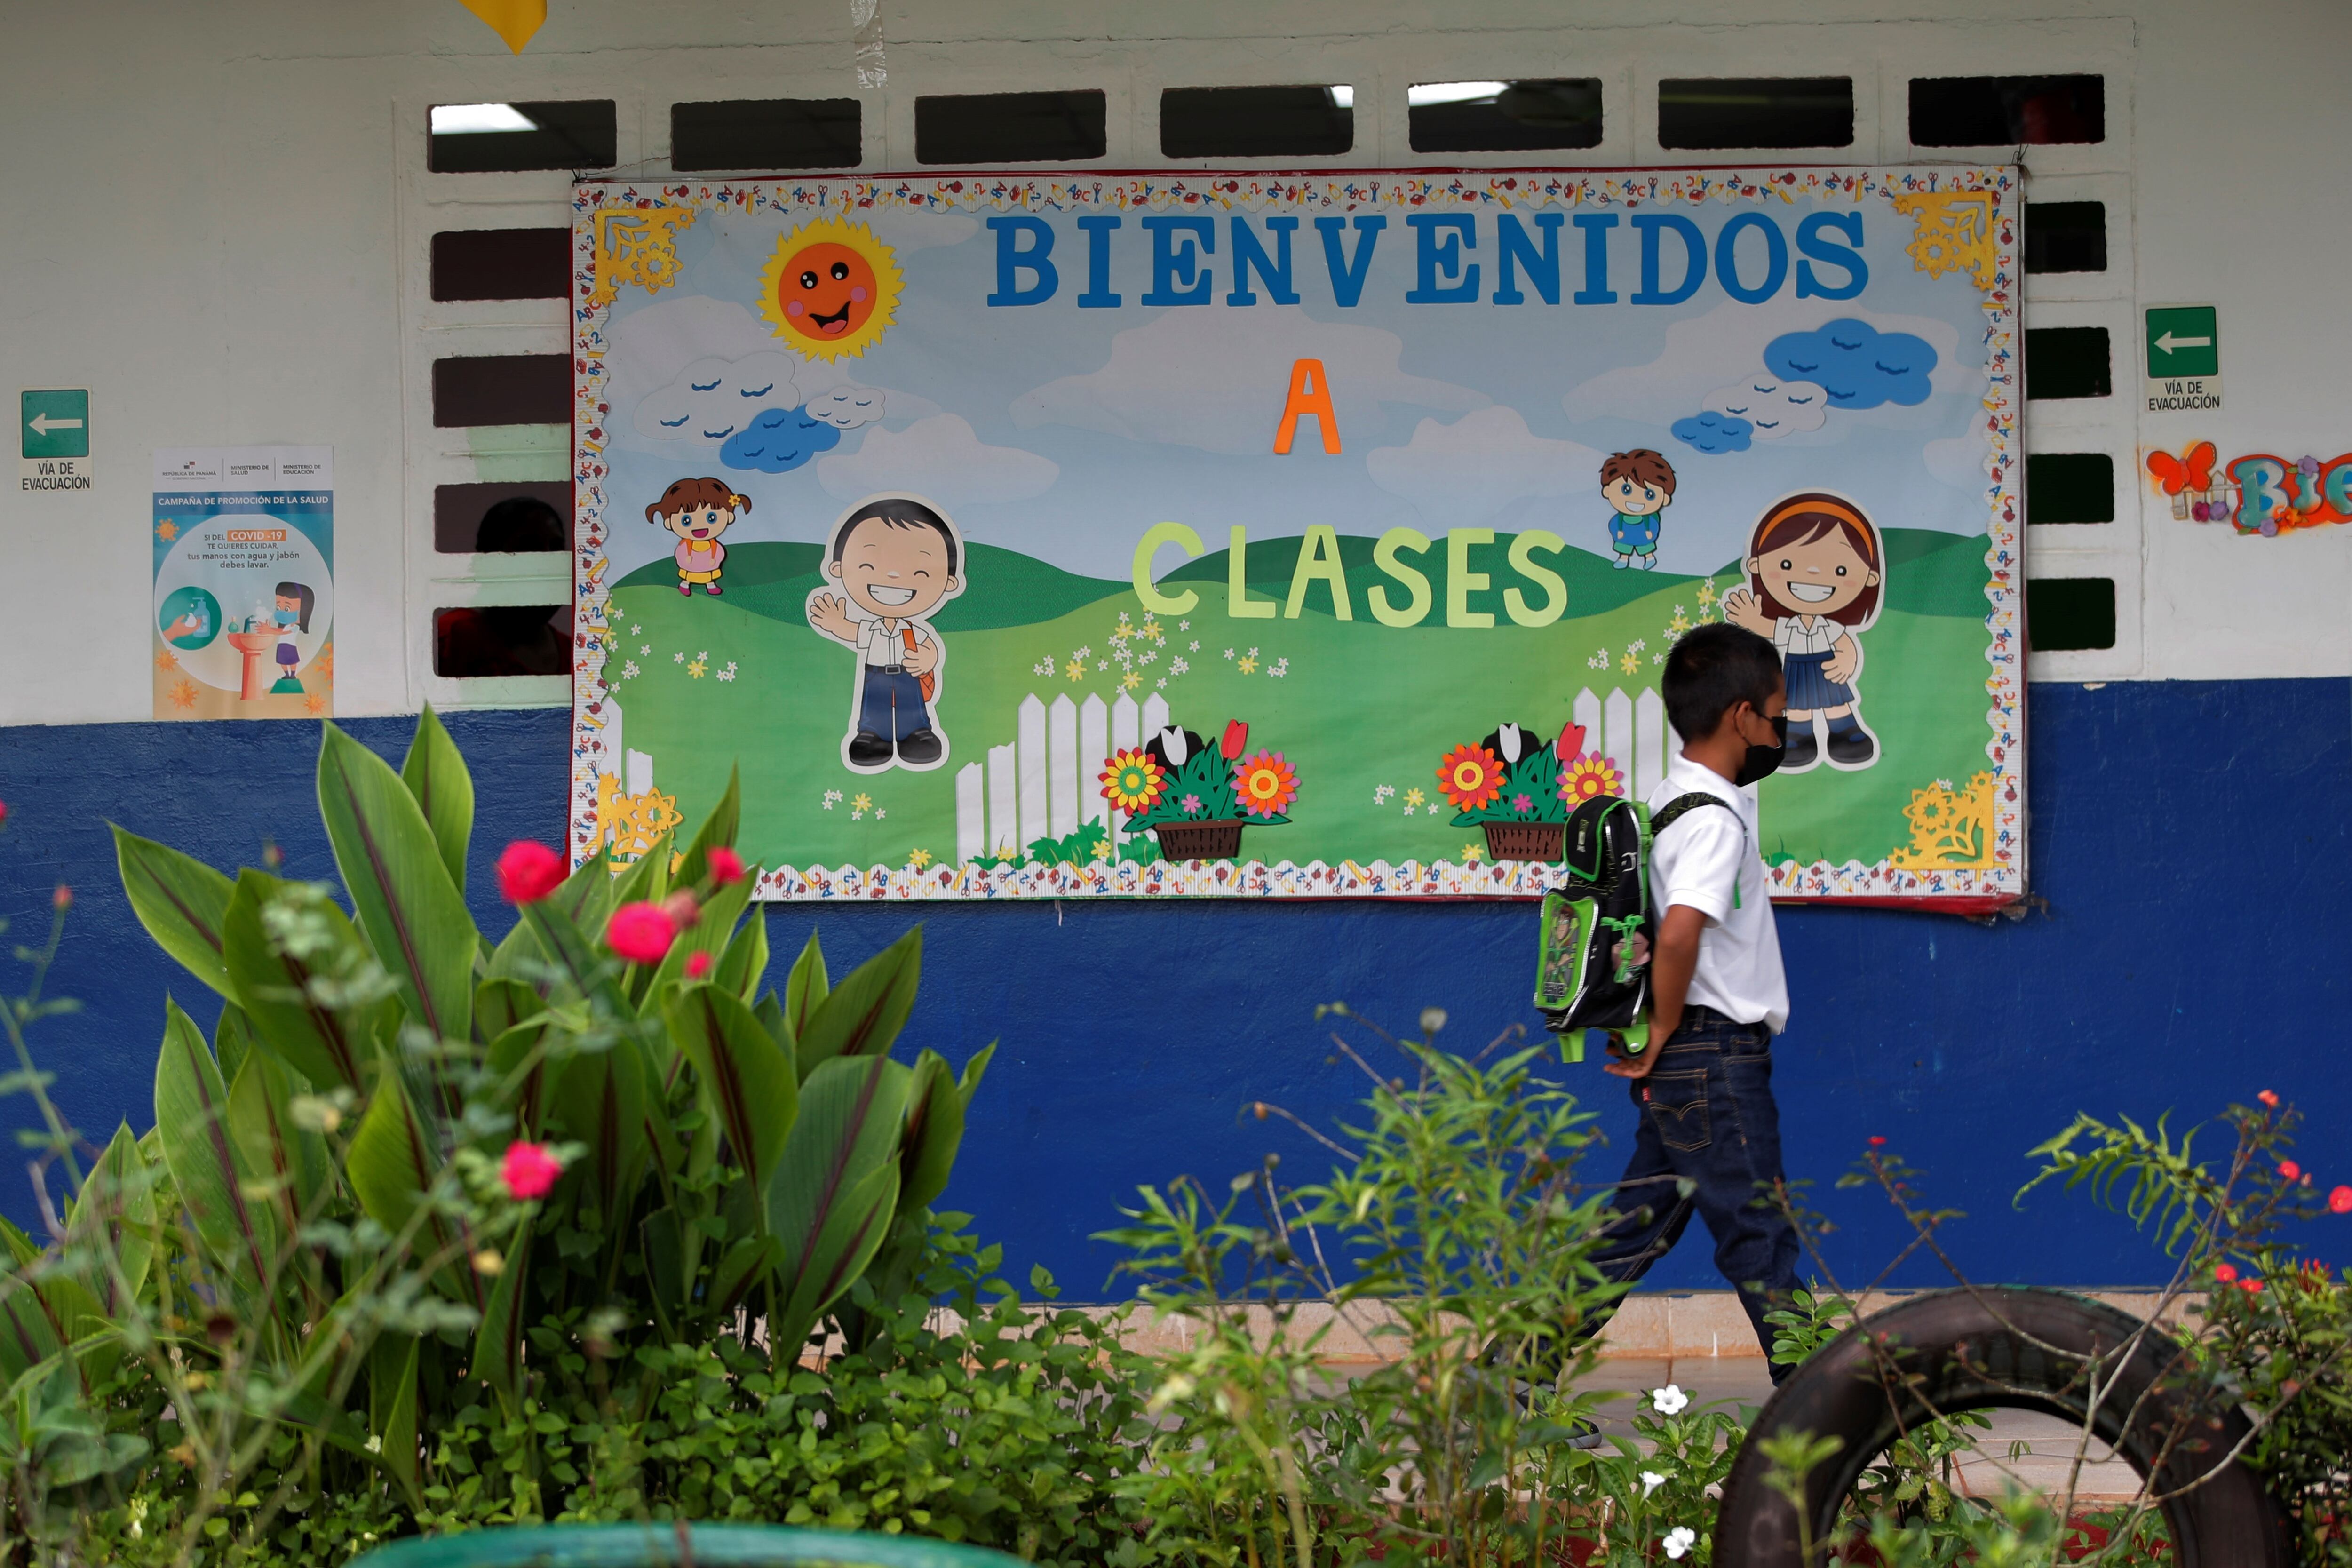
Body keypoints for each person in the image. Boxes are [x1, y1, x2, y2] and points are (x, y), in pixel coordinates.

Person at [1586, 621, 1802, 1375]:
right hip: (1712, 1056)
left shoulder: (1674, 799)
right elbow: (1679, 935)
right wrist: (1666, 1026)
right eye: (1777, 717)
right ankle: (1828, 1414)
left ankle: (1510, 1367)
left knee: (1632, 1229)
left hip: (1690, 1063)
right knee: (1759, 1235)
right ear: (1744, 717)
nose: (1780, 732)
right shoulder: (1712, 821)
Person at [1721, 491, 1884, 771]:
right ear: (1756, 566)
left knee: (1836, 702)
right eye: (1786, 565)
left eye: (1841, 570)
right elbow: (1770, 628)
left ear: (1869, 577)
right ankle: (1798, 737)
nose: (1811, 573)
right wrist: (1750, 619)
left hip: (1825, 667)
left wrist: (1847, 659)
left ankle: (1845, 732)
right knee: (1796, 705)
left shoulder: (1829, 626)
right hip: (1796, 667)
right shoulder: (1790, 625)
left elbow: (1844, 642)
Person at [805, 495, 964, 772]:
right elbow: (853, 632)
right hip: (875, 673)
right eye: (869, 567)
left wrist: (928, 658)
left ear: (948, 583)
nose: (892, 576)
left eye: (920, 572)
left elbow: (930, 649)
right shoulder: (872, 628)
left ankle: (916, 734)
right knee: (873, 708)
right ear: (838, 569)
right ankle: (871, 736)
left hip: (907, 675)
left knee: (913, 709)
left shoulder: (912, 630)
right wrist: (835, 622)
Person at [644, 477, 748, 597]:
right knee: (688, 575)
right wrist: (686, 560)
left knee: (709, 576)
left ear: (729, 516)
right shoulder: (685, 545)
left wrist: (715, 559)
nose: (700, 526)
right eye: (686, 521)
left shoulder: (714, 545)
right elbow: (680, 553)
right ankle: (685, 584)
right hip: (690, 565)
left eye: (711, 518)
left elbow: (719, 552)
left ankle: (711, 585)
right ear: (669, 523)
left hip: (709, 564)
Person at [1599, 449, 1676, 571]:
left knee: (1645, 547)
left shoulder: (1648, 518)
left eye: (1650, 495)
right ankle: (1623, 559)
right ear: (1607, 491)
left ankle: (1649, 558)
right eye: (1626, 490)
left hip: (1643, 534)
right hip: (1625, 535)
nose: (1636, 500)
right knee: (1624, 547)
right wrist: (1617, 532)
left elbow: (1653, 525)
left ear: (1665, 499)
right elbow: (1614, 524)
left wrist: (1651, 533)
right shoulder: (1620, 518)